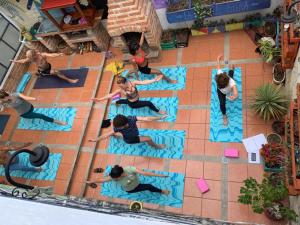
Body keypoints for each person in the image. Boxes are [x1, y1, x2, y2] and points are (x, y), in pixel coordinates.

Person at [91, 76, 166, 115]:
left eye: (121, 85)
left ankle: (117, 101)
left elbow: (143, 82)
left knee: (123, 101)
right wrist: (100, 99)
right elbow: (110, 95)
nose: (120, 87)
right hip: (133, 104)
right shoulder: (121, 90)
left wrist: (154, 80)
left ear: (125, 82)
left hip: (134, 99)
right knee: (148, 103)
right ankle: (158, 111)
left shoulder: (133, 83)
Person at [89, 114, 166, 149]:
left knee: (120, 134)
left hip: (131, 134)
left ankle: (115, 135)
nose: (117, 127)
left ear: (124, 124)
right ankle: (157, 147)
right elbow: (105, 135)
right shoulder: (118, 128)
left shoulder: (131, 119)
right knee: (148, 138)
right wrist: (95, 140)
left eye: (119, 126)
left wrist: (160, 118)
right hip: (130, 139)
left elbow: (146, 118)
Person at [86, 165, 170, 195]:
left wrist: (160, 175)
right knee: (149, 186)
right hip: (131, 189)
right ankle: (161, 191)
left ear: (121, 174)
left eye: (116, 178)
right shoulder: (113, 177)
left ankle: (161, 191)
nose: (114, 179)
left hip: (136, 182)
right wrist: (91, 181)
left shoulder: (129, 169)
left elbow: (144, 173)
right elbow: (101, 180)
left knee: (148, 185)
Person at [0, 90, 66, 125]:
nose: (8, 97)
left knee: (33, 111)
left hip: (30, 107)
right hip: (24, 114)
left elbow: (25, 97)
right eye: (3, 99)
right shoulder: (3, 102)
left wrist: (34, 98)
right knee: (41, 116)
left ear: (6, 95)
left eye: (7, 95)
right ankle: (57, 121)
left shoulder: (16, 95)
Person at [11, 49, 78, 84]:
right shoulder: (31, 59)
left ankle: (39, 73)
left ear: (34, 55)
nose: (30, 58)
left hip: (48, 66)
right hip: (44, 70)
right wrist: (15, 61)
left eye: (30, 56)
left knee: (51, 71)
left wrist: (58, 54)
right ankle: (69, 80)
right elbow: (23, 61)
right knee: (56, 72)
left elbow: (51, 55)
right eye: (29, 57)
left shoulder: (41, 55)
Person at [215, 54, 238, 126]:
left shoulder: (231, 82)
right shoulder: (220, 74)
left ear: (227, 83)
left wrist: (234, 96)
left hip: (229, 89)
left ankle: (232, 69)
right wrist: (218, 59)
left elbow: (236, 92)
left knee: (231, 75)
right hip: (221, 92)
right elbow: (218, 67)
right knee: (222, 103)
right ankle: (224, 115)